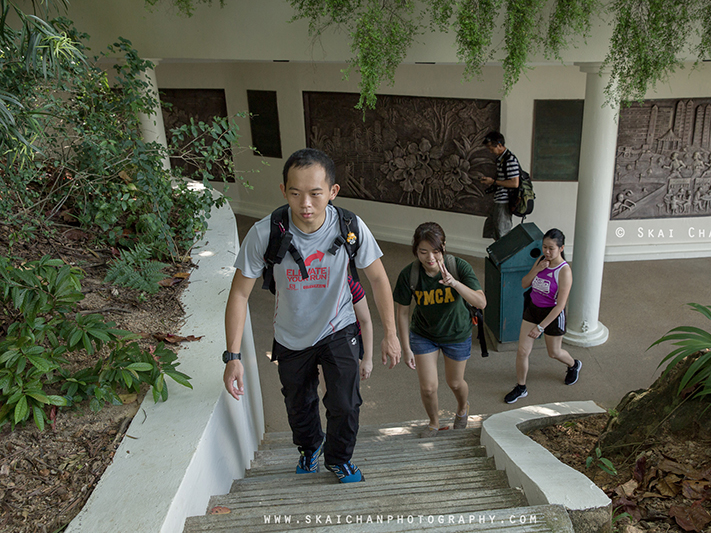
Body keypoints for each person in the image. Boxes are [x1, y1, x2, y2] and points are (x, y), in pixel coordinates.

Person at [222, 148, 401, 483]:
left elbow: (378, 278)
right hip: (291, 334)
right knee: (299, 405)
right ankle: (309, 448)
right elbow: (239, 293)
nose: (305, 204)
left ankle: (339, 458)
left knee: (346, 405)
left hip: (339, 327)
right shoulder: (265, 233)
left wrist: (390, 333)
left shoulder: (349, 226)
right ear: (283, 190)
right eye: (295, 193)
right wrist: (232, 356)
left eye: (316, 194)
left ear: (332, 192)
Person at [393, 222, 486, 437]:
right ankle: (434, 423)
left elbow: (481, 302)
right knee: (428, 387)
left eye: (435, 251)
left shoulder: (459, 267)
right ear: (415, 250)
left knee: (455, 382)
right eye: (423, 252)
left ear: (443, 247)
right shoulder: (410, 274)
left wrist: (454, 283)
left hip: (456, 334)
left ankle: (463, 408)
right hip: (424, 334)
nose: (430, 258)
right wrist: (406, 347)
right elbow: (403, 312)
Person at [504, 228, 582, 404]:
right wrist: (537, 269)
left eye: (551, 248)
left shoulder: (564, 271)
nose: (546, 252)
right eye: (544, 247)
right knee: (522, 351)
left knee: (553, 353)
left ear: (561, 248)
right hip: (533, 309)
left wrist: (541, 327)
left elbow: (561, 305)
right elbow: (525, 283)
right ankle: (521, 387)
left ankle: (573, 364)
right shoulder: (541, 261)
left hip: (552, 314)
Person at [479, 131, 519, 241]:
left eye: (491, 148)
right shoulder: (501, 159)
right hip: (499, 200)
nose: (491, 151)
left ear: (500, 145)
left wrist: (493, 182)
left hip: (505, 201)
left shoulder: (509, 159)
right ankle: (498, 257)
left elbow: (515, 183)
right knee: (495, 230)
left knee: (503, 232)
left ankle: (504, 257)